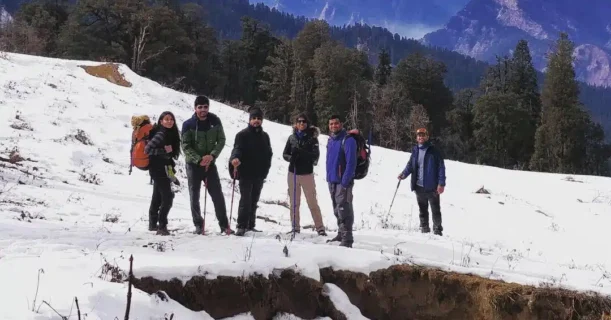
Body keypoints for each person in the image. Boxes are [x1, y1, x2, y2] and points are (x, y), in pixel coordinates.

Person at [181, 95, 233, 235]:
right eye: (200, 107)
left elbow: (221, 140)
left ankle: (224, 225)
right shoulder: (188, 124)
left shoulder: (215, 121)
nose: (203, 110)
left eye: (205, 107)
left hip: (210, 164)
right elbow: (185, 146)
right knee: (194, 195)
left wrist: (212, 156)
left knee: (217, 194)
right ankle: (198, 224)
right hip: (193, 165)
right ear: (195, 108)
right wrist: (199, 159)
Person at [229, 107, 273, 236]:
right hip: (245, 173)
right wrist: (235, 158)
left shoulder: (265, 136)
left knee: (254, 200)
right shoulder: (242, 135)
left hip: (259, 173)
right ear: (249, 120)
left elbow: (268, 154)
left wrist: (266, 170)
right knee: (245, 200)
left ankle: (250, 225)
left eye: (259, 118)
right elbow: (237, 149)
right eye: (254, 118)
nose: (256, 121)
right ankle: (241, 225)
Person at [282, 113, 326, 236]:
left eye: (304, 122)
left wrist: (301, 154)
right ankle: (295, 227)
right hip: (293, 173)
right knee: (294, 202)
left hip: (307, 174)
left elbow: (315, 158)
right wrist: (292, 158)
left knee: (312, 201)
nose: (301, 124)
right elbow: (285, 154)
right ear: (296, 124)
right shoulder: (292, 138)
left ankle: (320, 228)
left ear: (307, 124)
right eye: (299, 122)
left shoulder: (312, 138)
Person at [398, 128, 446, 236]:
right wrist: (404, 174)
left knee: (435, 210)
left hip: (432, 187)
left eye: (423, 135)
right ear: (416, 137)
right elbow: (410, 165)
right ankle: (424, 229)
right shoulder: (415, 150)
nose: (421, 137)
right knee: (422, 210)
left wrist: (441, 183)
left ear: (427, 137)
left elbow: (441, 168)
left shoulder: (434, 151)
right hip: (418, 187)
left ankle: (437, 231)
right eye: (419, 135)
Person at [144, 111, 181, 235]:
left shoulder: (169, 133)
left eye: (171, 119)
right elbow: (147, 149)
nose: (169, 121)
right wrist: (163, 150)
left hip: (163, 167)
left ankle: (153, 224)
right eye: (166, 119)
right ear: (161, 121)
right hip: (158, 168)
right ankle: (162, 225)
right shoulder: (160, 134)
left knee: (157, 196)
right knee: (168, 196)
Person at [325, 115, 357, 248]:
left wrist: (344, 181)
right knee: (336, 209)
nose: (333, 126)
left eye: (336, 123)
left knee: (344, 209)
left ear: (341, 124)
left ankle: (347, 239)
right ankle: (341, 233)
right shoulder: (331, 140)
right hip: (332, 180)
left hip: (343, 181)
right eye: (331, 124)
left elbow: (351, 162)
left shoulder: (348, 140)